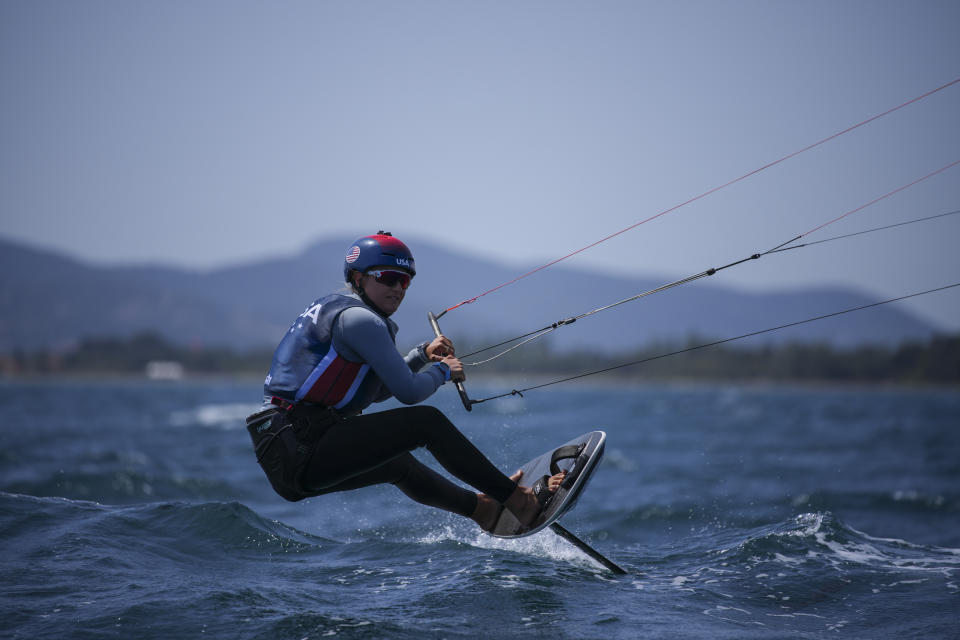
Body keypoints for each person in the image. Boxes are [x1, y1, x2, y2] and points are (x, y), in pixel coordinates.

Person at [246, 231, 563, 532]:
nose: (398, 288)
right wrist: (443, 372)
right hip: (299, 444)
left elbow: (375, 393)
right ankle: (519, 501)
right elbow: (409, 393)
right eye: (387, 278)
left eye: (405, 281)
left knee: (397, 464)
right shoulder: (361, 321)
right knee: (427, 423)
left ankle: (484, 510)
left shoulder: (342, 310)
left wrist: (422, 355)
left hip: (287, 448)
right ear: (359, 278)